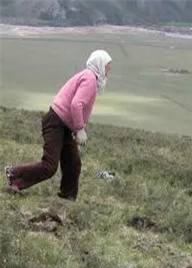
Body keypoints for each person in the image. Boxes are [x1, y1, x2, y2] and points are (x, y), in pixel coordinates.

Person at [4, 50, 113, 200]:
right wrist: (80, 129)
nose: (109, 69)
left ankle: (67, 198)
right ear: (99, 64)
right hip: (56, 122)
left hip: (64, 125)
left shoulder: (89, 77)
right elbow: (76, 105)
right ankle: (14, 175)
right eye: (108, 65)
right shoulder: (90, 79)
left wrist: (75, 128)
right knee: (49, 166)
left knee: (73, 163)